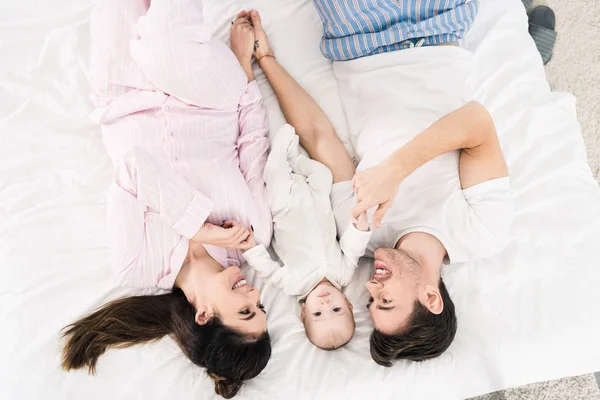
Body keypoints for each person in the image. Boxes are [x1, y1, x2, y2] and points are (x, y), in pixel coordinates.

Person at [244, 2, 513, 366]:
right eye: (385, 300)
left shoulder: (362, 232)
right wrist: (395, 170)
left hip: (358, 37)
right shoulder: (480, 232)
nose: (370, 287)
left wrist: (267, 60)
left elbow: (318, 137)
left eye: (371, 301)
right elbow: (477, 124)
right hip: (438, 26)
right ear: (431, 298)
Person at [61, 1, 273, 397]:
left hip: (124, 98)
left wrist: (199, 226)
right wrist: (243, 67)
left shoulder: (136, 265)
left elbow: (132, 168)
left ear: (205, 314)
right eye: (262, 307)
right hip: (209, 99)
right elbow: (252, 146)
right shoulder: (253, 234)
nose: (256, 294)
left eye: (246, 310)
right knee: (163, 47)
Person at [242, 124, 372, 350]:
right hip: (317, 198)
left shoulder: (294, 284)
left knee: (274, 173)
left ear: (303, 313)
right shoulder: (342, 275)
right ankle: (294, 158)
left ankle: (281, 152)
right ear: (348, 304)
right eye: (336, 309)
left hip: (285, 208)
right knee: (323, 174)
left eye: (318, 313)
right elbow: (353, 251)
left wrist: (251, 249)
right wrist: (359, 229)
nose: (325, 303)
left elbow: (269, 271)